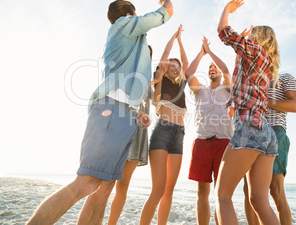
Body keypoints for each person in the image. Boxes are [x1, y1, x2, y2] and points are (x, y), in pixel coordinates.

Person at [26, 0, 173, 225]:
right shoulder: (123, 24)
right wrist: (166, 2)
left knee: (103, 191)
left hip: (124, 115)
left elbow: (126, 87)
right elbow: (163, 14)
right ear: (128, 14)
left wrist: (138, 113)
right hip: (111, 113)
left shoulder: (128, 46)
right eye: (134, 15)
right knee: (85, 183)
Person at [214, 0, 281, 225]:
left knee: (222, 196)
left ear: (258, 38)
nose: (249, 38)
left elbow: (223, 31)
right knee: (259, 201)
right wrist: (238, 51)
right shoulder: (266, 63)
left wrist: (227, 10)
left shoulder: (254, 51)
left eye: (252, 35)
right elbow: (240, 80)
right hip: (267, 133)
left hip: (250, 127)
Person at [76, 45, 154, 225]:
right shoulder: (130, 72)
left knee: (119, 186)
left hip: (138, 135)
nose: (145, 58)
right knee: (102, 184)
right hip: (121, 128)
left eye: (149, 55)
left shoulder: (150, 81)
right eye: (143, 53)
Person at [139, 25, 189, 225]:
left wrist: (181, 42)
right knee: (158, 189)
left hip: (179, 135)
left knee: (169, 191)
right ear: (166, 67)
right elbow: (165, 55)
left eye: (177, 66)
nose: (175, 67)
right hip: (162, 132)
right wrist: (173, 37)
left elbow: (186, 63)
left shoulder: (181, 86)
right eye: (171, 65)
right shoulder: (160, 79)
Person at [185, 36, 233, 225]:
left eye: (215, 67)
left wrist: (211, 52)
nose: (212, 69)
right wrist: (202, 53)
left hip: (224, 143)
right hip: (202, 142)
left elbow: (227, 70)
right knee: (202, 192)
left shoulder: (227, 88)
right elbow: (188, 74)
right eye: (209, 68)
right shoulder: (200, 90)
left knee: (221, 193)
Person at [243, 72, 296, 225]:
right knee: (249, 191)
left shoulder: (285, 77)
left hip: (275, 131)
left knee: (276, 190)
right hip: (251, 132)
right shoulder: (253, 79)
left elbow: (295, 105)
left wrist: (264, 102)